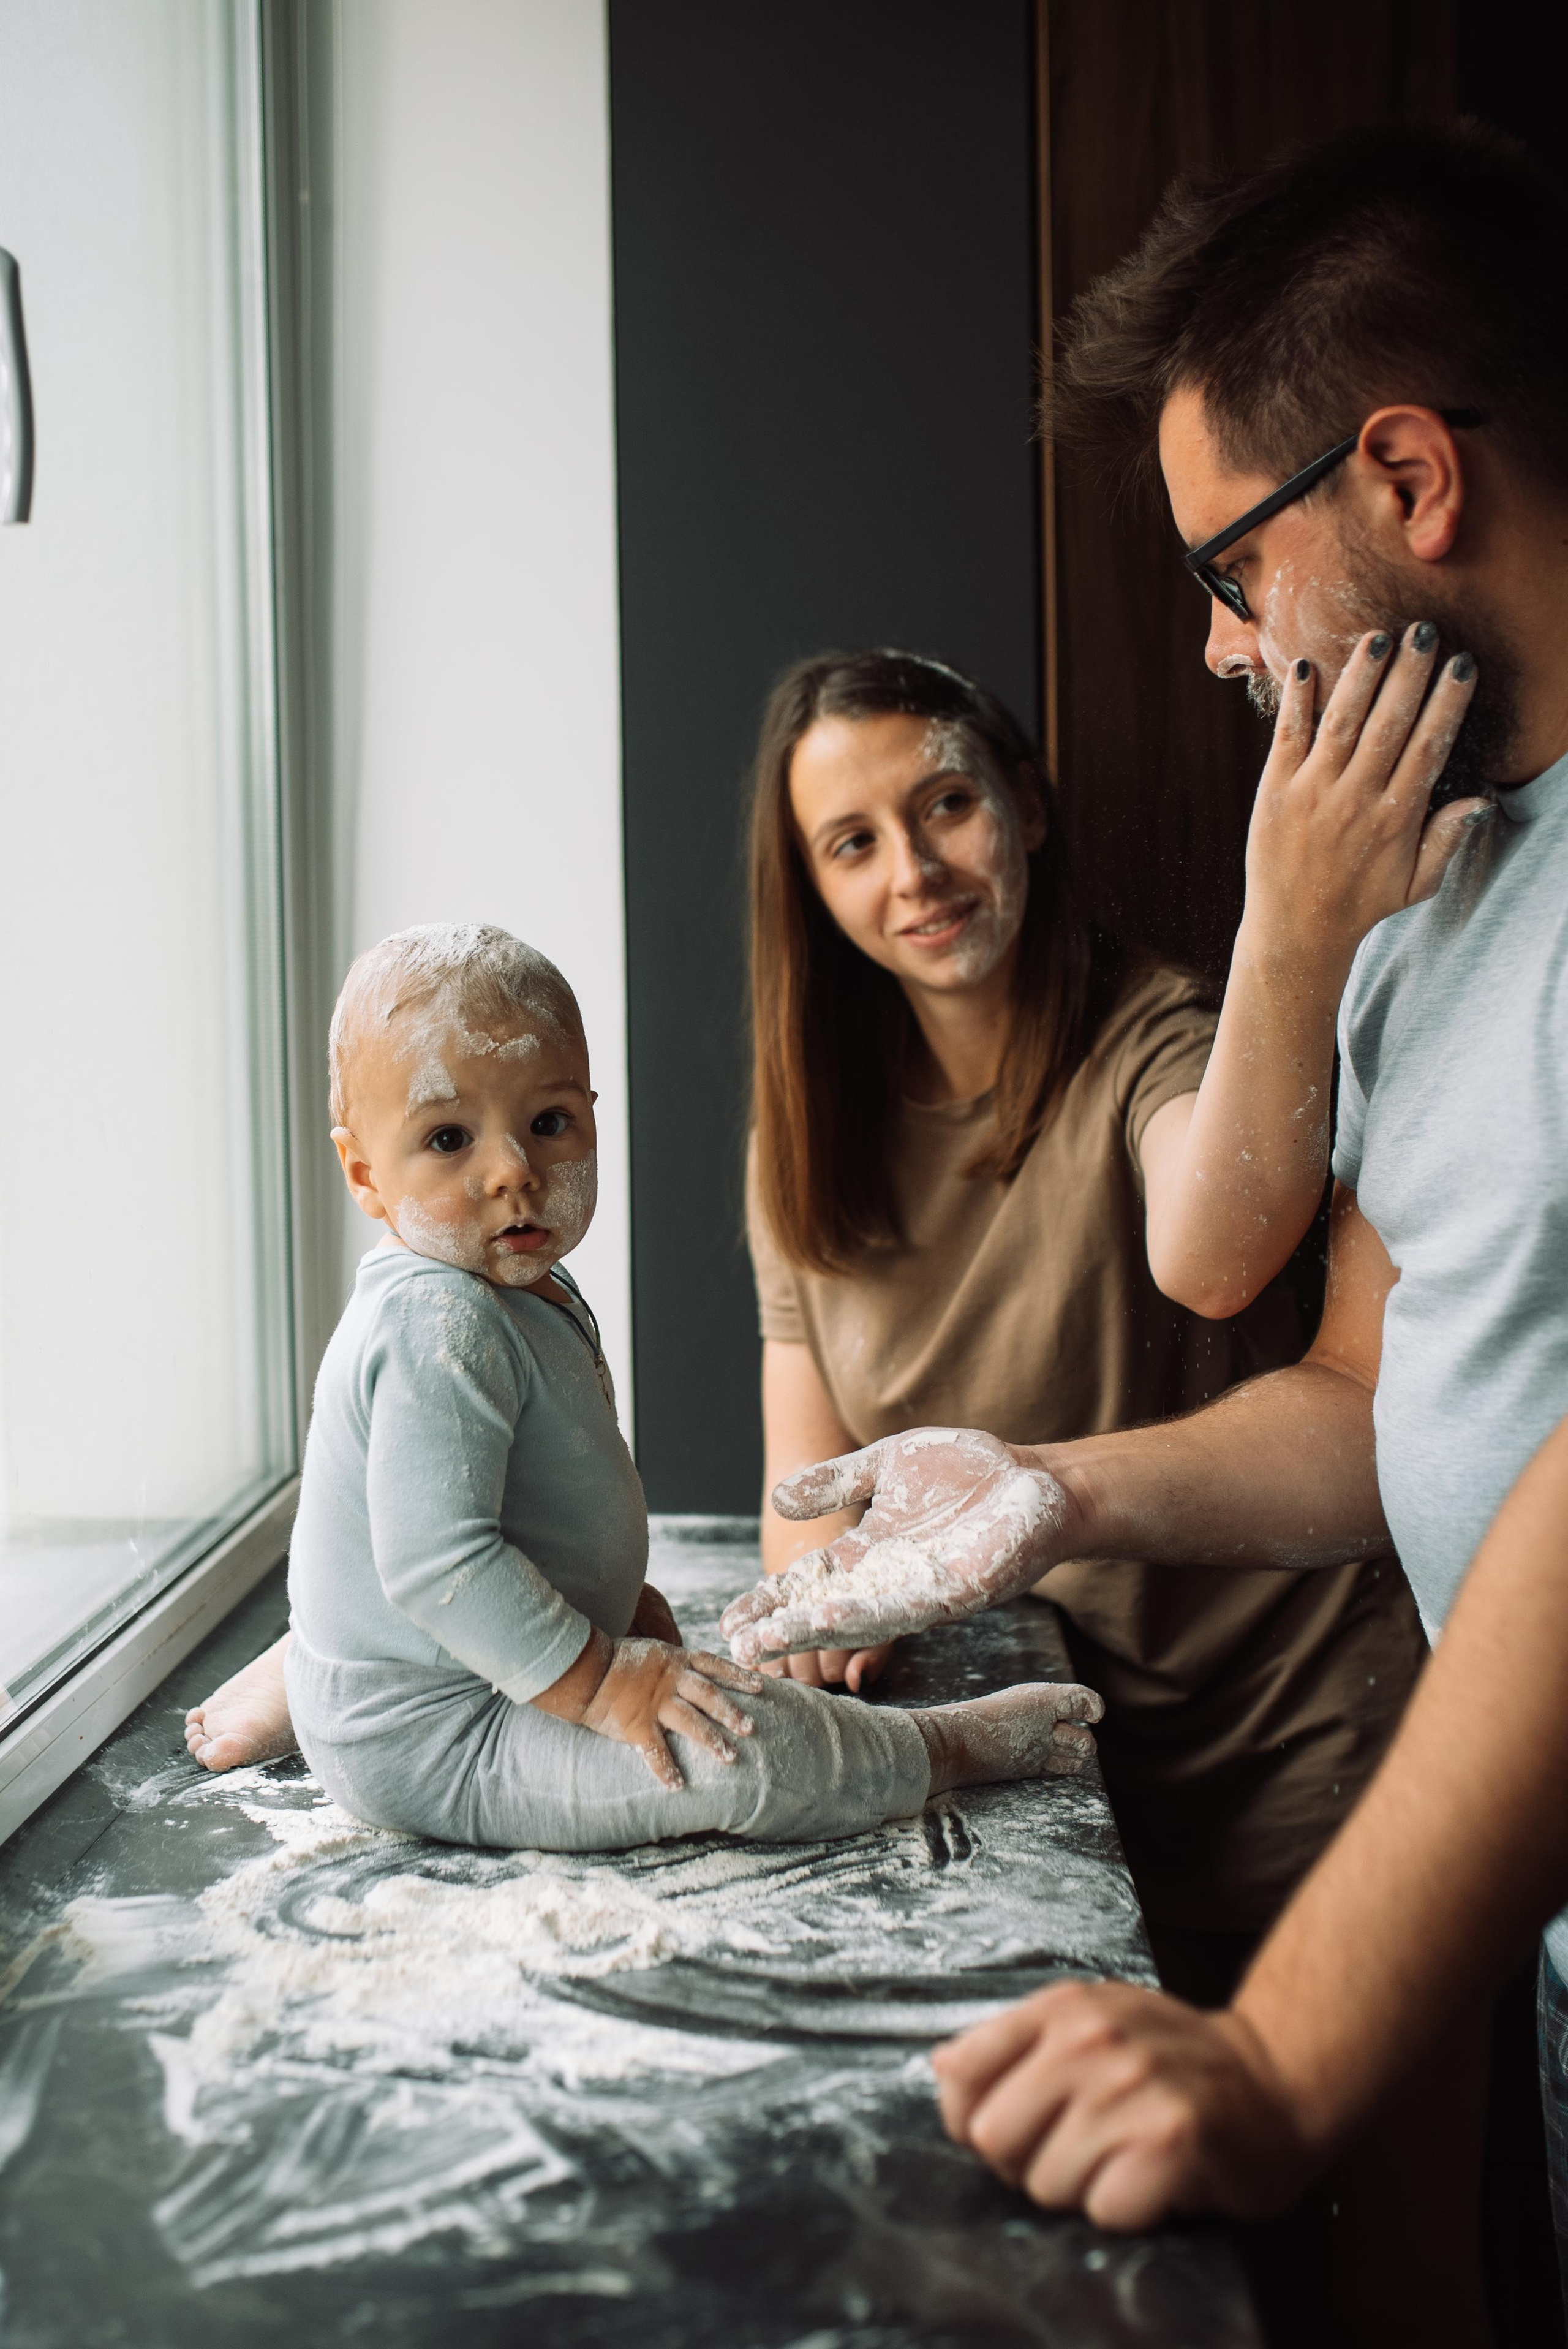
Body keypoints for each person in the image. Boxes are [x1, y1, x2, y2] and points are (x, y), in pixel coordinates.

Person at [723, 118, 1568, 2338]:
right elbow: (1371, 1396)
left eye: (1228, 568)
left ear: (1409, 479)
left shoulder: (1235, 980)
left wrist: (1283, 2052)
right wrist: (1053, 1490)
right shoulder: (1431, 906)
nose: (1215, 648)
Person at [743, 645, 1429, 2014]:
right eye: (853, 843)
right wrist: (825, 1604)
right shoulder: (806, 1140)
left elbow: (1210, 1258)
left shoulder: (1153, 1032)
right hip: (1054, 1752)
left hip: (1292, 1738)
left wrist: (1287, 920)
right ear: (810, 890)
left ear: (1027, 804)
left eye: (945, 804)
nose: (914, 873)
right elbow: (803, 1490)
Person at [276, 920, 1101, 1852]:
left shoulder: (513, 1285)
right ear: (365, 1175)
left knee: (700, 1693)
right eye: (448, 1138)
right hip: (442, 1737)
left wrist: (615, 1607)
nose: (514, 1171)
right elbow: (439, 1567)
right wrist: (602, 1679)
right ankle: (941, 1745)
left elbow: (531, 1499)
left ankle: (315, 1682)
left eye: (549, 1123)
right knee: (736, 1749)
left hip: (487, 1671)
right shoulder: (436, 1320)